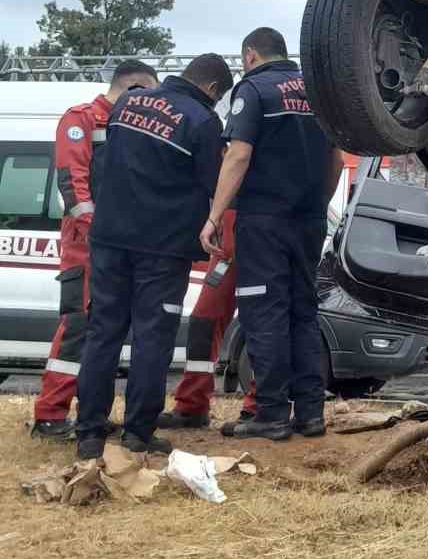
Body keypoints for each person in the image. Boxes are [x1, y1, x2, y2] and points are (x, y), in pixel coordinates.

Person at [74, 54, 234, 460]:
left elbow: (108, 160)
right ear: (213, 89)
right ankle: (137, 435)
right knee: (152, 339)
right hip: (162, 250)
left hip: (109, 238)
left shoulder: (130, 101)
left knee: (103, 332)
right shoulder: (202, 121)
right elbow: (214, 184)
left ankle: (89, 433)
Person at [200, 27, 343, 442]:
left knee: (265, 315)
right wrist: (317, 204)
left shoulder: (254, 90)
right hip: (309, 222)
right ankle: (311, 414)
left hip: (264, 221)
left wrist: (215, 215)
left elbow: (238, 155)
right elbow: (336, 160)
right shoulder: (318, 93)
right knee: (303, 313)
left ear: (250, 55)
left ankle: (272, 414)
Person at [30, 59, 160, 439]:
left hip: (118, 246)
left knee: (106, 332)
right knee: (78, 329)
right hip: (86, 246)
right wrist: (99, 233)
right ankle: (50, 415)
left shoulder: (130, 124)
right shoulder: (82, 119)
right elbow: (73, 185)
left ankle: (91, 415)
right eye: (150, 96)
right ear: (135, 87)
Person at [156, 210, 259, 429]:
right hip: (227, 241)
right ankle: (192, 406)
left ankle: (259, 409)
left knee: (263, 324)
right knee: (203, 322)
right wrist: (216, 217)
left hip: (263, 234)